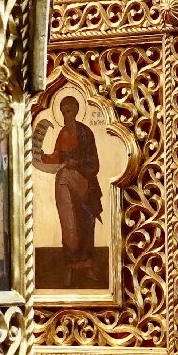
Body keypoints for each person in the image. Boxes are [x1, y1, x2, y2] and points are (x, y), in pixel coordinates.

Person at [34, 97, 104, 288]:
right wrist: (41, 156)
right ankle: (71, 268)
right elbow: (57, 157)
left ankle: (88, 268)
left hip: (85, 187)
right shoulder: (62, 134)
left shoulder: (85, 133)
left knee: (86, 227)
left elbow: (94, 163)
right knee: (69, 225)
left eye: (70, 112)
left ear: (77, 111)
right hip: (65, 185)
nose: (67, 116)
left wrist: (77, 164)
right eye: (64, 112)